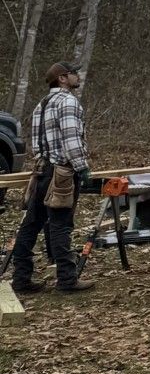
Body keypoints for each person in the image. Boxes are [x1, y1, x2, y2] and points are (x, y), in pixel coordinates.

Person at [9, 62, 94, 296]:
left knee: (31, 224)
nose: (77, 77)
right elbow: (71, 139)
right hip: (62, 173)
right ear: (63, 79)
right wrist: (82, 168)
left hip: (43, 170)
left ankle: (21, 278)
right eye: (73, 74)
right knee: (60, 225)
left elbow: (37, 142)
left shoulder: (42, 104)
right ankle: (67, 280)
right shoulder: (68, 102)